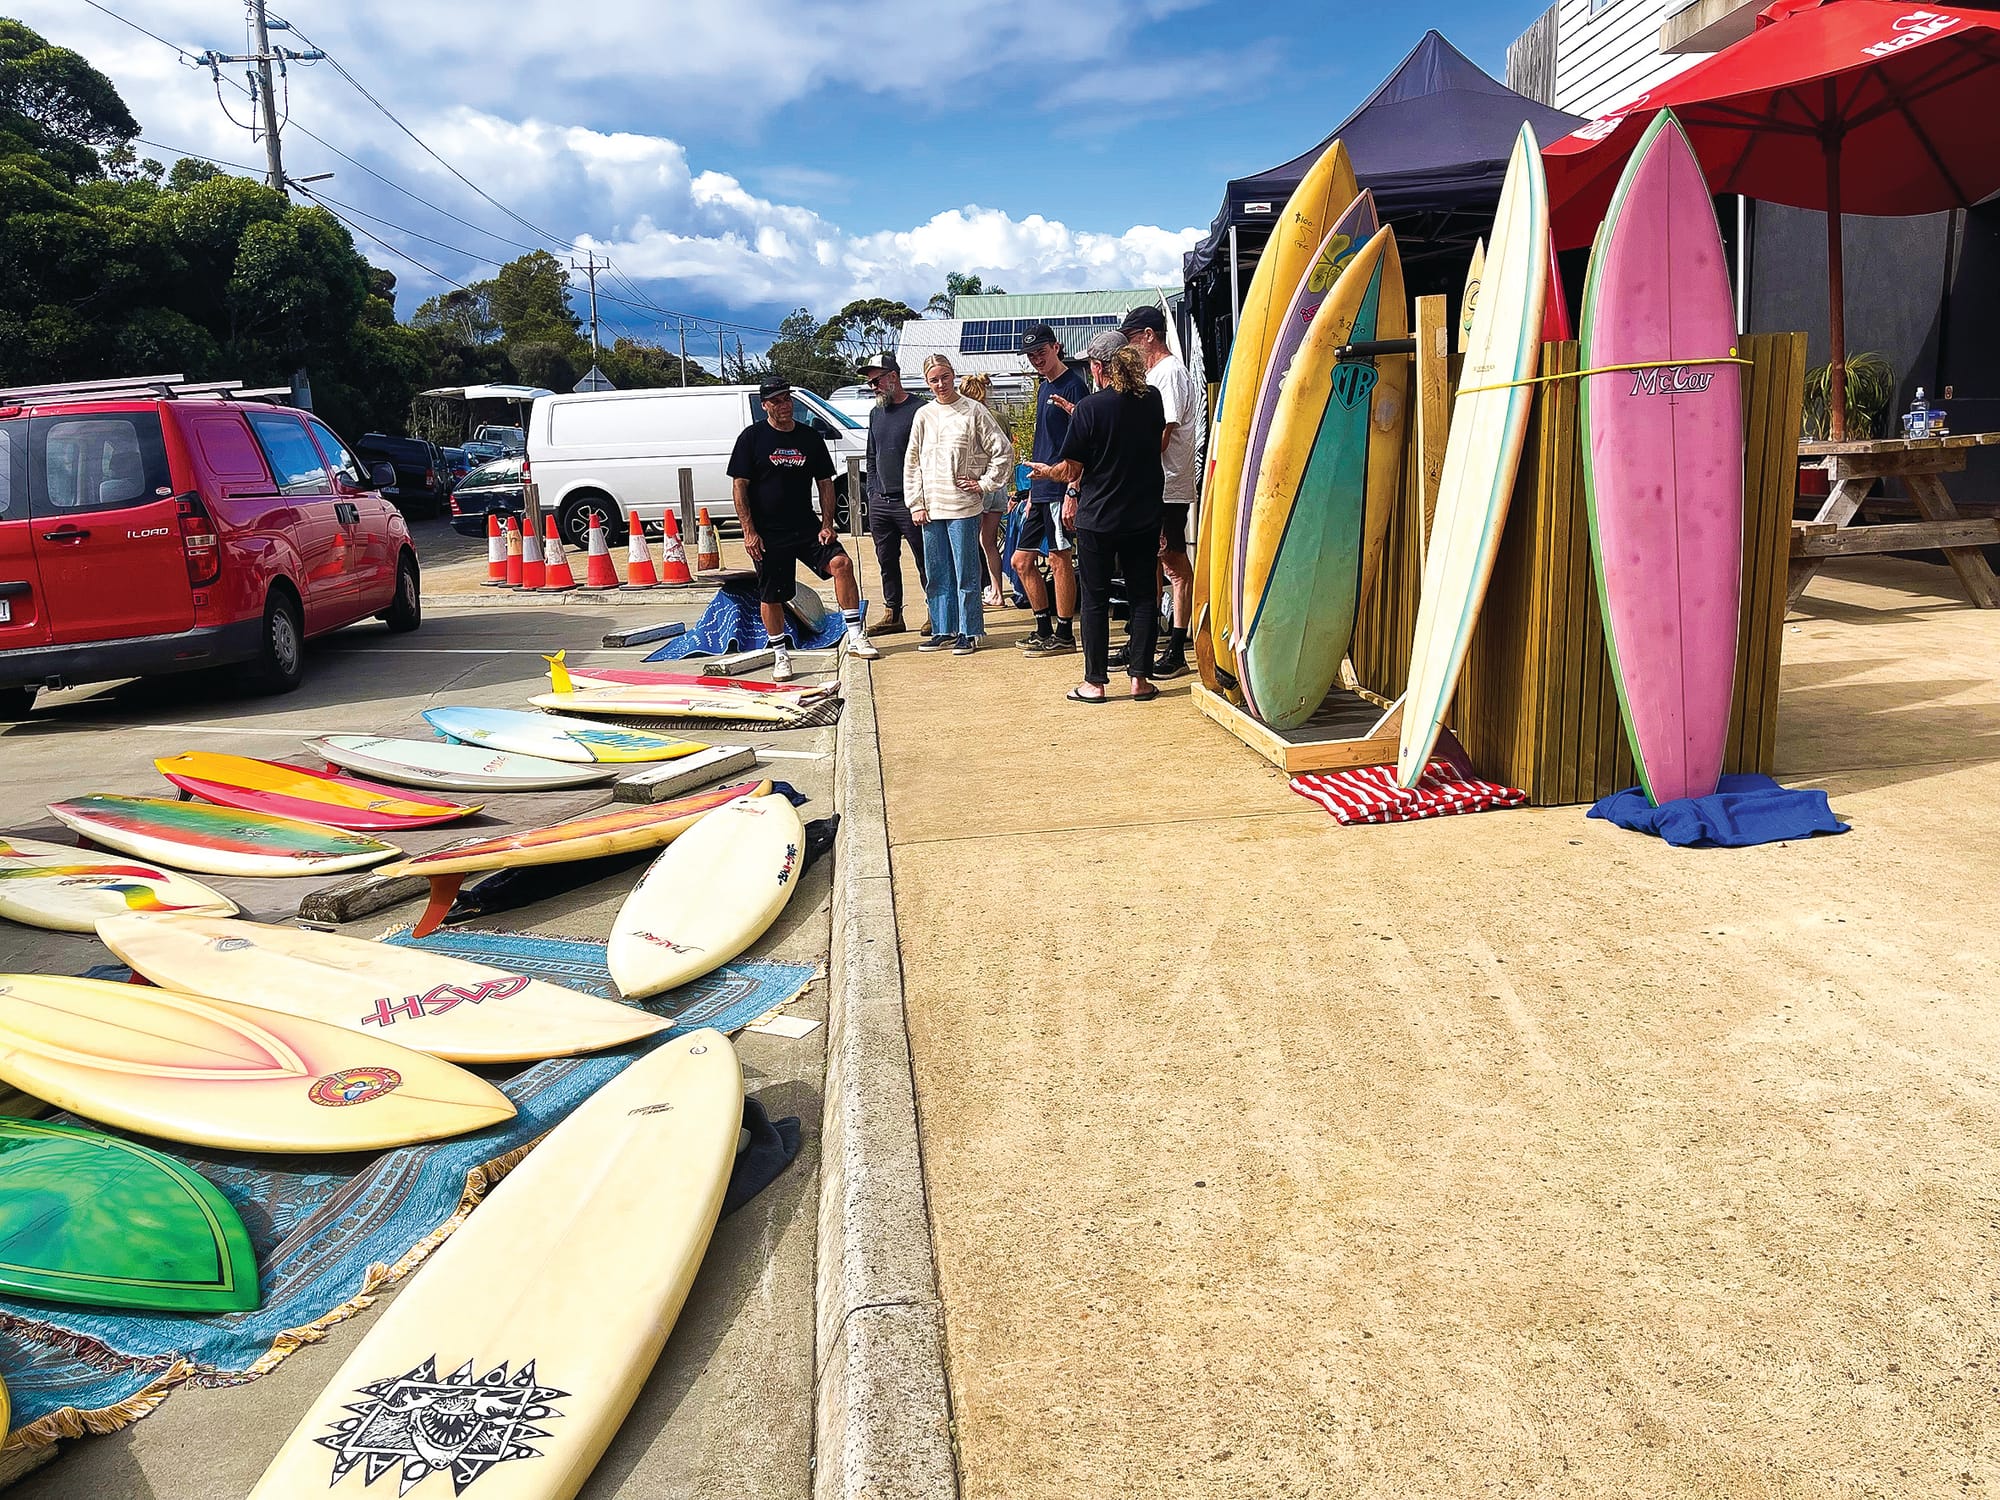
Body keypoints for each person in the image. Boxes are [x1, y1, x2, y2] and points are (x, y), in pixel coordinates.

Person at [1026, 330, 1164, 703]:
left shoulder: (1091, 408)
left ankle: (1096, 682)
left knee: (1095, 599)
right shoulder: (1152, 399)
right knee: (1143, 597)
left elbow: (1071, 469)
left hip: (1099, 518)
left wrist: (1045, 471)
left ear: (1099, 367)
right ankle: (1140, 680)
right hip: (1144, 514)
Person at [727, 376, 879, 681]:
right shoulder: (751, 438)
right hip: (768, 532)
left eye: (787, 399)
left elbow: (825, 483)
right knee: (772, 594)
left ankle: (856, 636)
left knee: (841, 564)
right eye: (778, 401)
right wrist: (749, 531)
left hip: (806, 526)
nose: (785, 406)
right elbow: (739, 486)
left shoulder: (809, 437)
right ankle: (781, 655)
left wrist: (827, 524)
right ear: (765, 405)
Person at [903, 354, 1015, 655]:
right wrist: (916, 503)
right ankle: (943, 628)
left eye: (945, 377)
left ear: (954, 376)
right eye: (934, 380)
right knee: (937, 572)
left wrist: (984, 484)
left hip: (963, 507)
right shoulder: (923, 415)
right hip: (930, 508)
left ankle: (970, 630)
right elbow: (912, 462)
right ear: (927, 383)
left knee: (966, 572)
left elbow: (1003, 451)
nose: (941, 384)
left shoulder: (973, 410)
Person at [1119, 303, 1203, 678]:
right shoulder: (1156, 373)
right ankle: (1144, 640)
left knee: (1172, 562)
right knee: (1148, 562)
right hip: (1153, 484)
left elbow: (1163, 433)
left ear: (1149, 336)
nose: (1131, 348)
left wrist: (1129, 458)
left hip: (1167, 485)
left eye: (1133, 340)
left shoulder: (1168, 373)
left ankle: (1177, 646)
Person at [1011, 324, 1087, 657]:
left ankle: (1065, 633)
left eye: (1041, 352)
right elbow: (1045, 441)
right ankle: (1043, 627)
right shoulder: (1043, 388)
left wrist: (1072, 490)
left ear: (1057, 347)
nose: (1036, 359)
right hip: (1040, 491)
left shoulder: (1074, 388)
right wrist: (1029, 495)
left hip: (1060, 489)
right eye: (1030, 355)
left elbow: (1082, 445)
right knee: (1020, 561)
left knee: (1059, 559)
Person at [858, 351, 925, 635]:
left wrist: (919, 497)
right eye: (870, 382)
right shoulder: (876, 413)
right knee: (886, 560)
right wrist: (873, 492)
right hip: (881, 502)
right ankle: (892, 613)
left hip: (910, 501)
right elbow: (871, 456)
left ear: (893, 377)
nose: (873, 387)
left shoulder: (920, 410)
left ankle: (935, 610)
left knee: (925, 559)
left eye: (877, 380)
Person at [959, 373, 1011, 609]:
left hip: (978, 486)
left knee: (971, 543)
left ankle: (974, 595)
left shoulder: (969, 417)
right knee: (989, 543)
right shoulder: (1000, 417)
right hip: (998, 486)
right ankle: (998, 592)